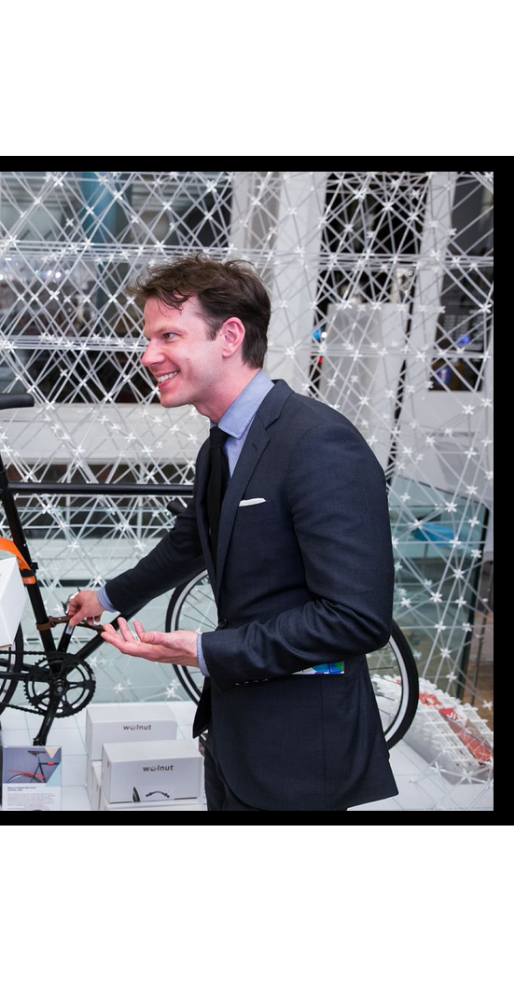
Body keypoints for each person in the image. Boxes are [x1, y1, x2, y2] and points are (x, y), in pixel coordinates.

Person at [69, 255, 398, 811]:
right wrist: (105, 597)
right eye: (149, 338)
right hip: (234, 731)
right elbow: (192, 540)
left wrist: (203, 649)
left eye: (168, 335)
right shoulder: (221, 442)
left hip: (297, 752)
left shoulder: (318, 442)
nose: (149, 356)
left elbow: (357, 618)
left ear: (230, 336)